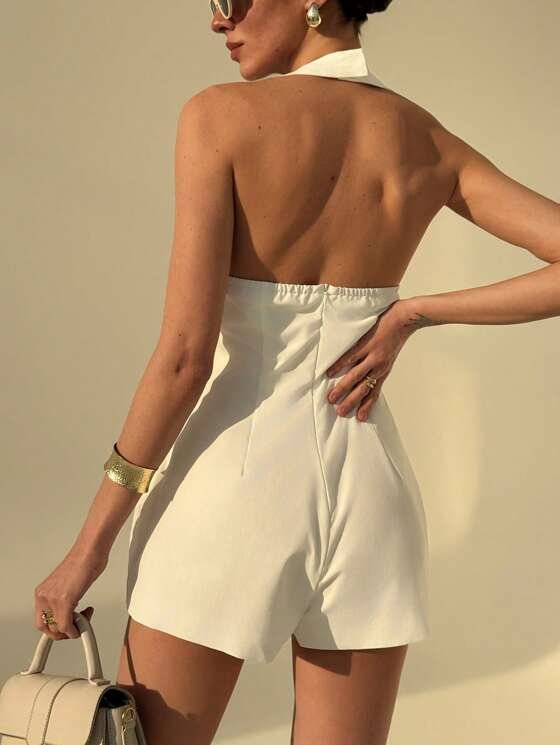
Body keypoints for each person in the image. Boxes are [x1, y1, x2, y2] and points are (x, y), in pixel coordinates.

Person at [33, 1, 560, 743]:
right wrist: (414, 312)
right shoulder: (427, 140)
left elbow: (184, 359)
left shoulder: (218, 117)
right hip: (371, 499)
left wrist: (86, 551)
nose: (219, 19)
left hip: (229, 491)